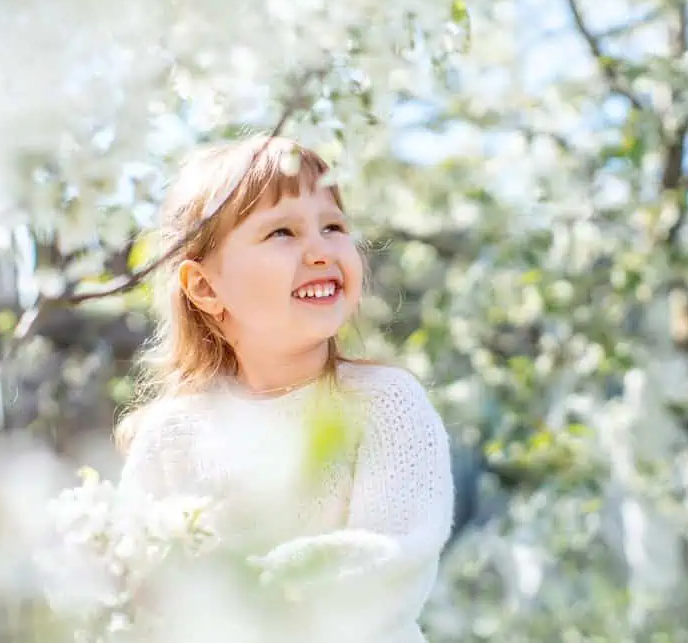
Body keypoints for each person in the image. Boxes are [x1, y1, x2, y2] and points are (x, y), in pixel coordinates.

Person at [115, 135, 455, 643]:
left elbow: (394, 560)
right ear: (206, 288)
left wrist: (262, 590)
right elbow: (132, 577)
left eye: (334, 226)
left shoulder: (384, 404)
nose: (321, 250)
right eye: (282, 232)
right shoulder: (173, 434)